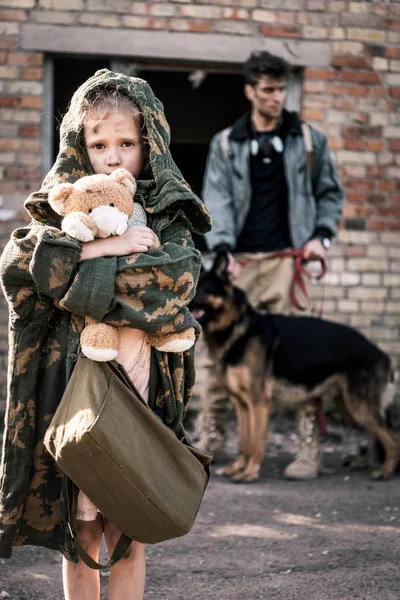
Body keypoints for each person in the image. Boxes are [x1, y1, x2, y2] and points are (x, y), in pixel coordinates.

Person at [0, 69, 211, 599]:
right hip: (71, 396)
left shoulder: (169, 218)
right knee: (81, 531)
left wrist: (70, 275)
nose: (113, 158)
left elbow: (167, 286)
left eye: (127, 143)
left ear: (150, 144)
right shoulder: (61, 209)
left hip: (142, 396)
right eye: (99, 144)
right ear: (80, 147)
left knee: (128, 531)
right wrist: (102, 249)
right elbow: (21, 266)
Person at [197, 51, 344, 480]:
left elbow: (330, 194)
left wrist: (321, 238)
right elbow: (216, 199)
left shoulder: (309, 140)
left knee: (295, 353)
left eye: (281, 89)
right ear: (250, 91)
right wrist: (221, 248)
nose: (276, 97)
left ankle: (307, 447)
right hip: (239, 264)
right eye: (267, 90)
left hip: (287, 261)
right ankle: (211, 435)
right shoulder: (227, 143)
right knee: (218, 352)